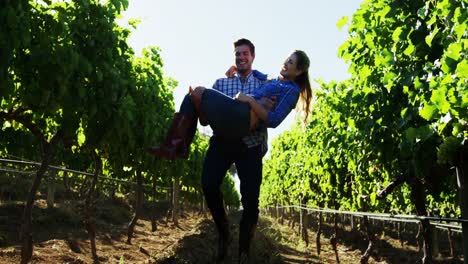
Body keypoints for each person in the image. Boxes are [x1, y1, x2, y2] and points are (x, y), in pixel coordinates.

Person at [147, 39, 312, 263]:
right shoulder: (225, 83)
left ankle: (243, 250)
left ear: (253, 56)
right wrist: (204, 106)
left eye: (245, 54)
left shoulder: (272, 83)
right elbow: (206, 120)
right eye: (237, 54)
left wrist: (251, 100)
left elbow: (272, 118)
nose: (241, 57)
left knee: (251, 202)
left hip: (250, 144)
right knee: (208, 183)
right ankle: (224, 231)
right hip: (223, 142)